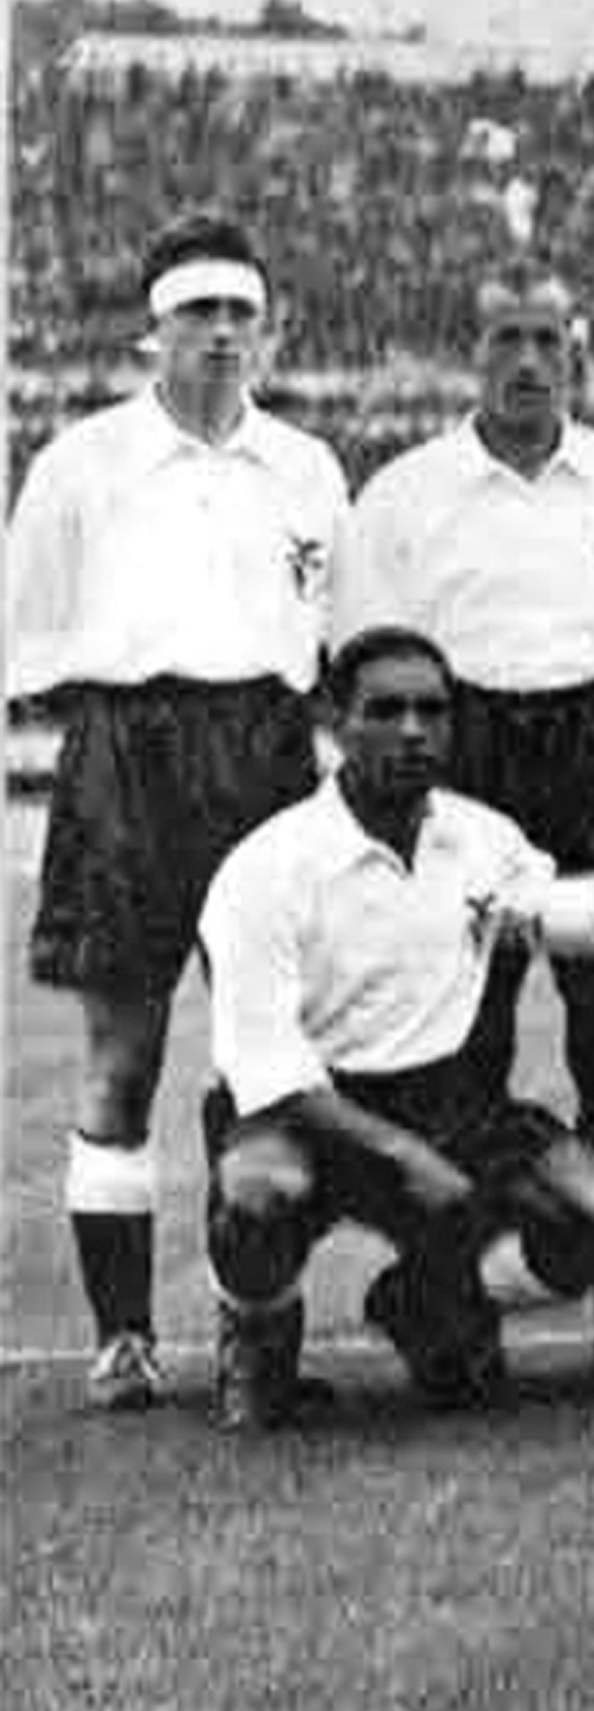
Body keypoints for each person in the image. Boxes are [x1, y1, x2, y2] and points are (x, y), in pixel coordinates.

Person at [196, 627, 594, 1430]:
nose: (413, 731)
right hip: (313, 1118)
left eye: (432, 713)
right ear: (335, 720)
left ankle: (423, 1299)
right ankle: (257, 1336)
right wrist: (404, 1156)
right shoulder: (264, 870)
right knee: (259, 1194)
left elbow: (553, 911)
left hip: (455, 1108)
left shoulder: (481, 836)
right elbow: (268, 1069)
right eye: (386, 711)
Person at [5, 213, 350, 1410]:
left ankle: (260, 1323)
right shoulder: (80, 467)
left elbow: (332, 633)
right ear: (150, 330)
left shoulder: (307, 468)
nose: (217, 332)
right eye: (195, 310)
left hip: (265, 758)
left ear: (266, 326)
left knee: (272, 1051)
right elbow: (31, 638)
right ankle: (123, 1337)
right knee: (122, 1059)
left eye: (237, 311)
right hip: (128, 755)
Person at [336, 266, 594, 1385]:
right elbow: (369, 670)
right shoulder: (404, 492)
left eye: (547, 337)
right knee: (464, 1047)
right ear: (470, 351)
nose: (528, 360)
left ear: (575, 349)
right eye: (505, 339)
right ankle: (446, 1298)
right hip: (467, 753)